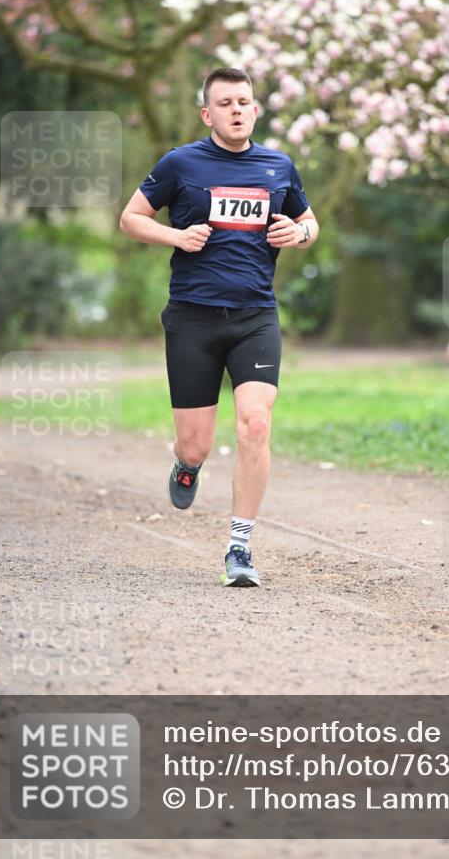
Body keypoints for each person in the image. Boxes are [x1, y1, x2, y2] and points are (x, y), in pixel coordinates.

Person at [120, 68, 318, 588]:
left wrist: (297, 231)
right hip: (193, 318)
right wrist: (175, 236)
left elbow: (310, 221)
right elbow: (131, 218)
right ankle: (186, 467)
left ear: (255, 110)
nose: (236, 109)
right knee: (196, 445)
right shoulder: (180, 163)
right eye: (225, 102)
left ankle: (240, 547)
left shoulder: (278, 166)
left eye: (244, 101)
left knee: (256, 423)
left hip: (256, 316)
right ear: (207, 114)